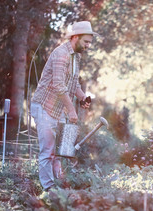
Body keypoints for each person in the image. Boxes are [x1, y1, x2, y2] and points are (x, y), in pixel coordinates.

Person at [30, 21, 100, 191]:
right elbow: (59, 85)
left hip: (58, 108)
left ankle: (58, 186)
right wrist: (71, 109)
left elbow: (73, 83)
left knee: (59, 152)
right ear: (75, 37)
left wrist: (83, 97)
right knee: (48, 151)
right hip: (44, 106)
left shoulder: (76, 56)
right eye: (86, 42)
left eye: (90, 42)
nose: (88, 46)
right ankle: (49, 189)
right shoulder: (61, 54)